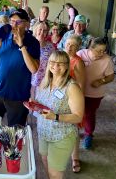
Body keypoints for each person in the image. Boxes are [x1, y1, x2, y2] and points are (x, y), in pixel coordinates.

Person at [34, 50, 84, 179]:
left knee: (55, 173)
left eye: (61, 64)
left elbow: (78, 116)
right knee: (45, 161)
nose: (56, 66)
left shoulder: (72, 87)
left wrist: (56, 117)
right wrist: (33, 103)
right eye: (53, 62)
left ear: (67, 65)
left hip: (62, 135)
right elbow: (40, 102)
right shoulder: (45, 82)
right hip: (43, 131)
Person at [0, 9, 40, 126]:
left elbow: (34, 69)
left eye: (18, 22)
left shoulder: (33, 42)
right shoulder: (3, 37)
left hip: (18, 97)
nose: (14, 25)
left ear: (27, 24)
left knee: (15, 134)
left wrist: (22, 45)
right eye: (12, 21)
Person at [77, 37, 114, 149]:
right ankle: (75, 132)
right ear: (90, 48)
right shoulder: (81, 54)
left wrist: (101, 81)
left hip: (94, 94)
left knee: (89, 114)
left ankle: (88, 135)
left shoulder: (107, 60)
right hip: (78, 91)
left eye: (104, 50)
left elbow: (111, 77)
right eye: (99, 51)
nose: (102, 53)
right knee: (77, 112)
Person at [64, 35, 86, 173]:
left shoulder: (78, 62)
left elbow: (81, 85)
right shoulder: (62, 58)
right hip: (60, 98)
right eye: (67, 43)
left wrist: (76, 103)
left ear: (78, 48)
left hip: (72, 99)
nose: (69, 47)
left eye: (73, 45)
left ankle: (75, 158)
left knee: (74, 130)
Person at [31, 22, 55, 98]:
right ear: (35, 30)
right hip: (28, 80)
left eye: (45, 31)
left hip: (44, 81)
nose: (42, 32)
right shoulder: (29, 44)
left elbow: (53, 64)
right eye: (40, 29)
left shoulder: (50, 47)